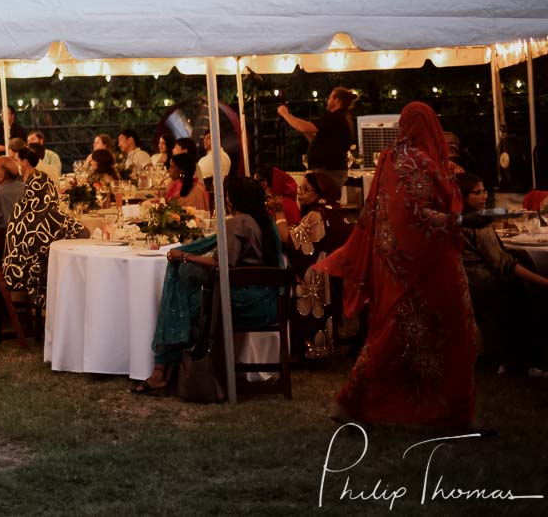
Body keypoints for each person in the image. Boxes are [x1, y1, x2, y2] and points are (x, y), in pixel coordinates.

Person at [318, 102, 477, 428]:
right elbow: (414, 214)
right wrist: (454, 219)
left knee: (392, 332)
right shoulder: (422, 162)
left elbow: (385, 213)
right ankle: (445, 408)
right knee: (449, 329)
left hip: (395, 263)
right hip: (430, 262)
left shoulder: (391, 159)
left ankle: (353, 400)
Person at [133, 176, 284, 393]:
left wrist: (185, 256)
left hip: (245, 306)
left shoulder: (237, 223)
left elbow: (222, 264)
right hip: (269, 304)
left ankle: (165, 369)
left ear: (233, 199)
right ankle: (169, 369)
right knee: (192, 296)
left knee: (184, 302)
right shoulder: (265, 223)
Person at [456, 172, 548, 375]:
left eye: (484, 191)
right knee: (531, 292)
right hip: (484, 284)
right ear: (463, 196)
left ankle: (516, 359)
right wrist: (543, 281)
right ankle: (528, 361)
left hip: (466, 281)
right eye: (477, 193)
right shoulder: (479, 225)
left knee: (523, 260)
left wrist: (513, 212)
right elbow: (505, 265)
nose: (483, 196)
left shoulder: (457, 219)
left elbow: (495, 213)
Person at [1, 153, 85, 315]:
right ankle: (68, 313)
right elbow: (84, 232)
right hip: (30, 278)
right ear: (50, 190)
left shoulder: (19, 208)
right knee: (69, 267)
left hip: (11, 272)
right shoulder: (53, 215)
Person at [285, 171, 350, 363]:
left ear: (320, 193)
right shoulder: (335, 211)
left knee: (302, 289)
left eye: (306, 189)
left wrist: (279, 214)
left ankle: (310, 350)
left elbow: (291, 241)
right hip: (335, 276)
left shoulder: (316, 215)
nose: (300, 193)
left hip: (319, 278)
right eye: (300, 188)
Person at [278, 87, 357, 186]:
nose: (328, 100)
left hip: (328, 171)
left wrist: (285, 114)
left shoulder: (335, 117)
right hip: (330, 169)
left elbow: (304, 127)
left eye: (330, 97)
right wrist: (304, 130)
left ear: (336, 100)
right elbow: (321, 141)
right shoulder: (341, 117)